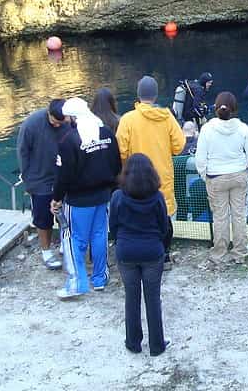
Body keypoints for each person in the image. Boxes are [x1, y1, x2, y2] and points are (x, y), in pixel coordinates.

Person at [51, 97, 122, 300]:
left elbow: (63, 176)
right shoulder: (107, 134)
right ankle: (100, 278)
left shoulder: (69, 141)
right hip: (103, 196)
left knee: (74, 239)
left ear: (73, 118)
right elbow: (117, 165)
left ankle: (77, 283)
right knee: (99, 236)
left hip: (78, 200)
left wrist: (56, 199)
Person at [117, 75, 186, 265]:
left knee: (136, 214)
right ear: (155, 96)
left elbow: (121, 150)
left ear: (138, 95)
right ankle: (163, 256)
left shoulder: (127, 120)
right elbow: (179, 146)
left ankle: (138, 253)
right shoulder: (166, 118)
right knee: (164, 214)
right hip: (161, 176)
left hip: (134, 178)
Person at [109, 154, 171, 356]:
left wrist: (122, 241)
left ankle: (133, 342)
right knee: (153, 299)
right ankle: (156, 345)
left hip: (126, 251)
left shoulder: (117, 197)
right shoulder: (157, 197)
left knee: (131, 297)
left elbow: (113, 226)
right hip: (152, 251)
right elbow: (164, 226)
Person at [194, 91, 248, 265]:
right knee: (239, 215)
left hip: (216, 177)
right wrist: (245, 168)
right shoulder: (243, 128)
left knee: (220, 217)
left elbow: (200, 159)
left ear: (216, 108)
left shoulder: (207, 129)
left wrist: (204, 175)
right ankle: (241, 252)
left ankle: (219, 253)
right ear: (234, 109)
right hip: (239, 176)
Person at [16, 99, 67, 270]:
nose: (58, 125)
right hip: (39, 180)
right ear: (48, 113)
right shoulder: (31, 124)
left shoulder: (68, 122)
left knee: (64, 214)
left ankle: (64, 244)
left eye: (61, 122)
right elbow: (23, 152)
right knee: (42, 218)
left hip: (62, 177)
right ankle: (46, 251)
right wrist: (28, 179)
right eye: (54, 122)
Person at [172, 121, 199, 221]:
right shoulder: (198, 143)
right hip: (195, 190)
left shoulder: (175, 145)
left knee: (181, 206)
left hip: (178, 188)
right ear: (195, 131)